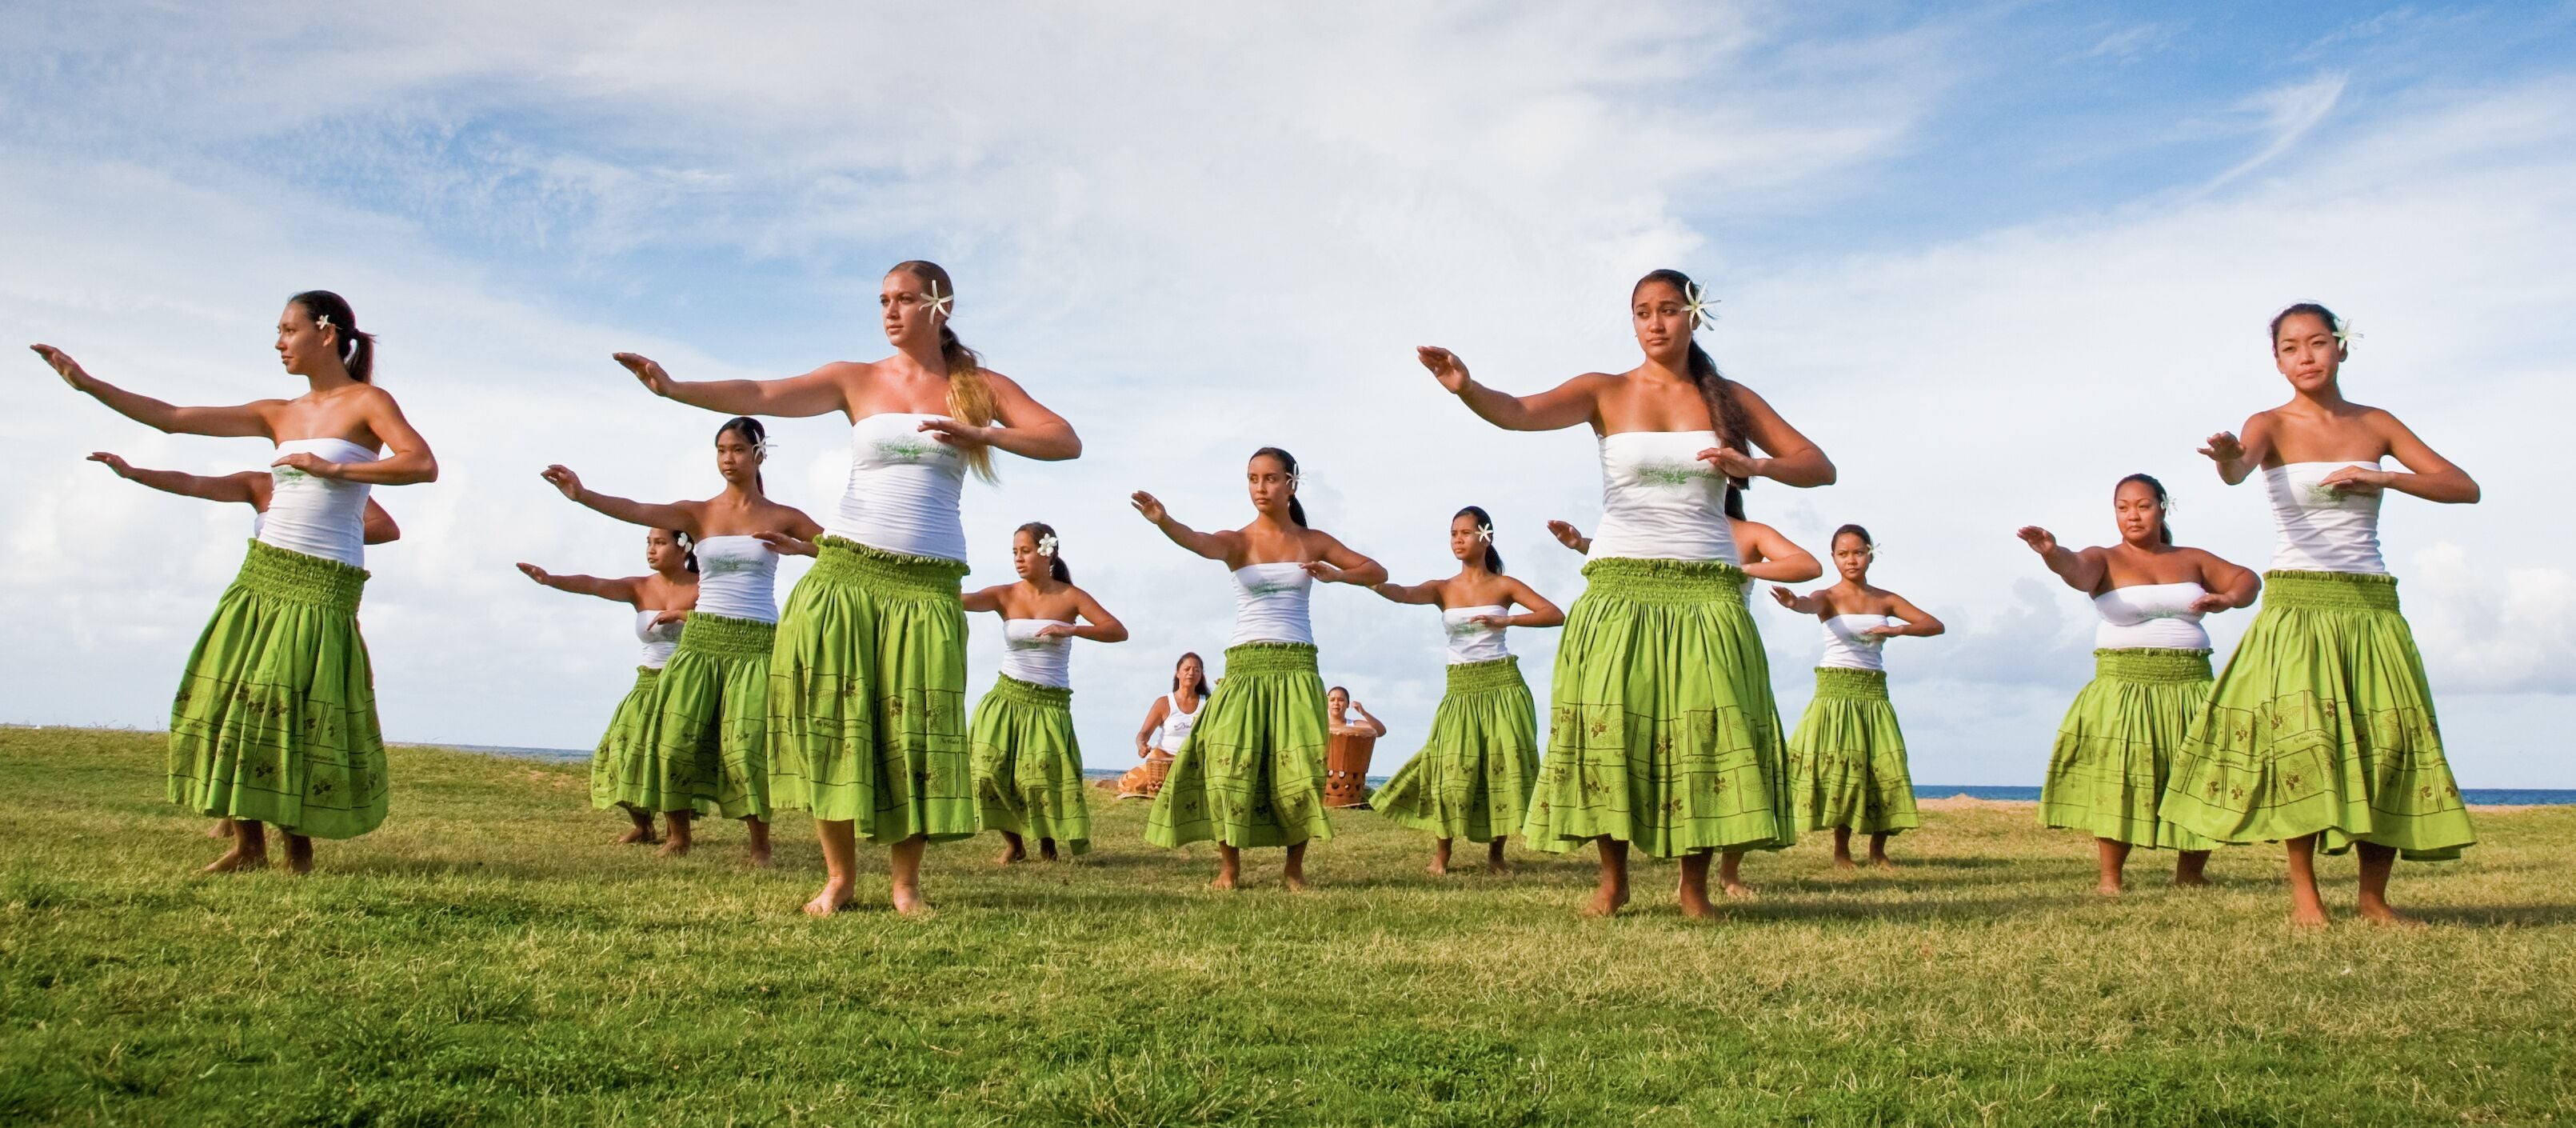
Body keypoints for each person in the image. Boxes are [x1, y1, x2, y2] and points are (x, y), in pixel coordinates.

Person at [616, 260, 1080, 916]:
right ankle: (838, 878)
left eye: (906, 299)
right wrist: (673, 388)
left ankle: (906, 886)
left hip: (926, 584)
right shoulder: (855, 380)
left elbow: (1064, 440)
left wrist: (983, 432)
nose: (890, 311)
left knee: (916, 727)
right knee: (831, 723)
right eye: (883, 300)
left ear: (940, 304)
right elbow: (762, 391)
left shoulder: (978, 387)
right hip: (846, 573)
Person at [1419, 267, 1835, 917]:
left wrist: (1754, 464)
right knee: (1606, 726)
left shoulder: (1730, 399)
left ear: (1694, 316)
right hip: (1616, 585)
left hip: (1705, 590)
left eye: (1668, 309)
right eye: (1642, 312)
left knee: (1703, 729)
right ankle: (1612, 882)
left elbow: (1817, 466)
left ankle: (1693, 887)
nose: (1655, 323)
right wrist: (1466, 387)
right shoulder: (1604, 391)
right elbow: (1519, 413)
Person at [35, 290, 437, 873]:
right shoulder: (276, 412)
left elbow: (420, 465)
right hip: (260, 574)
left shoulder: (368, 402)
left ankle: (297, 846)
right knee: (228, 698)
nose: (278, 343)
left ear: (325, 333)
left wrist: (334, 468)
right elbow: (172, 419)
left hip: (323, 583)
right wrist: (90, 385)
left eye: (286, 330)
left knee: (291, 707)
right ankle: (248, 847)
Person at [2160, 303, 2481, 927]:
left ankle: (2372, 899)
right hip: (2296, 607)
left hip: (2369, 606)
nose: (2303, 357)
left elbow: (2461, 486)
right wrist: (2228, 457)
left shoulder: (2376, 423)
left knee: (2384, 742)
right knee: (2300, 746)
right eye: (2288, 348)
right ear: (2276, 360)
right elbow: (2235, 469)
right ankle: (2305, 896)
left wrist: (2382, 478)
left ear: (2339, 348)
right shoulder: (2269, 423)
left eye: (2315, 343)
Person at [540, 416, 818, 865]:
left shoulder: (783, 516)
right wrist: (583, 495)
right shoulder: (698, 513)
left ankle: (760, 846)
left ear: (759, 453)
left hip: (757, 642)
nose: (729, 459)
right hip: (702, 638)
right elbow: (635, 509)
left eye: (739, 450)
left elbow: (837, 550)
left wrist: (799, 547)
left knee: (746, 746)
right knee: (675, 739)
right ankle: (678, 836)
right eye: (721, 450)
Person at [86, 451, 403, 841]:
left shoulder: (338, 489)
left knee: (285, 712)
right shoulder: (258, 483)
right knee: (228, 704)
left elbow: (386, 528)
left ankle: (290, 841)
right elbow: (195, 483)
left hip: (313, 601)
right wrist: (133, 473)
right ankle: (242, 829)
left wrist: (317, 526)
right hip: (260, 594)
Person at [1131, 446, 1387, 890]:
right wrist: (1164, 521)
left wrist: (1337, 574)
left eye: (1270, 478)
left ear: (1291, 483)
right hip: (1245, 666)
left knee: (1299, 768)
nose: (1260, 487)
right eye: (1252, 478)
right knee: (1226, 760)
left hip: (1297, 666)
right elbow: (1197, 540)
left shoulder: (1313, 541)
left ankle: (1294, 869)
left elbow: (1376, 571)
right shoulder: (1238, 541)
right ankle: (1229, 868)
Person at [2019, 474, 2258, 894]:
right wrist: (2052, 553)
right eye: (2123, 507)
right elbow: (2076, 570)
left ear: (2163, 508)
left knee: (2199, 772)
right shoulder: (2104, 559)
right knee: (2121, 773)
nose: (2133, 515)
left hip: (2191, 683)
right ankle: (2111, 878)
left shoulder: (2192, 558)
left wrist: (2228, 599)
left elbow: (2247, 579)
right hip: (2123, 686)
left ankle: (2191, 872)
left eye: (2143, 505)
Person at [1367, 506, 1565, 874]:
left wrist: (1507, 619)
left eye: (1465, 533)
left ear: (1485, 536)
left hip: (1504, 686)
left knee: (1499, 769)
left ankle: (1496, 855)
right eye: (1453, 533)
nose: (1458, 540)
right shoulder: (1443, 588)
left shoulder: (1505, 585)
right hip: (1460, 688)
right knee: (1449, 768)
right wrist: (1372, 583)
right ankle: (1442, 854)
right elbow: (1403, 593)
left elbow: (1554, 614)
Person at [1772, 525, 1945, 869]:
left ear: (1870, 553)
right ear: (1834, 558)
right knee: (1844, 769)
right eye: (1843, 553)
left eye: (1858, 552)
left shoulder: (1886, 599)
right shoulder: (1829, 596)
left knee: (1883, 766)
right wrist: (1795, 603)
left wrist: (1896, 629)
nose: (1851, 560)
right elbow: (1809, 604)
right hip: (1834, 693)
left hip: (1874, 692)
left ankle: (1879, 851)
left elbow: (1933, 624)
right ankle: (1841, 852)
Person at [517, 529, 703, 845]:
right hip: (646, 682)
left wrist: (685, 614)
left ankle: (679, 834)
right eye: (648, 543)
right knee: (619, 749)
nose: (651, 550)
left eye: (660, 543)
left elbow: (725, 619)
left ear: (684, 547)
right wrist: (551, 580)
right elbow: (594, 585)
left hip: (686, 684)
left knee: (671, 755)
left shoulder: (705, 588)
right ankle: (644, 826)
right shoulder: (640, 587)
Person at [964, 522, 1128, 862]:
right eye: (1014, 552)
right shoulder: (1004, 594)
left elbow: (1117, 631)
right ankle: (1014, 844)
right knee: (985, 772)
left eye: (1025, 551)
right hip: (1005, 696)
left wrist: (1072, 629)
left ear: (1047, 552)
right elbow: (960, 599)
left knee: (1039, 779)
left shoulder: (1071, 597)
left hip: (1048, 703)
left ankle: (1047, 843)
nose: (1018, 559)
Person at [1120, 654, 1209, 799]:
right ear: (1178, 673)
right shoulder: (1164, 703)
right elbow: (1144, 733)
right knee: (1134, 784)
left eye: (1196, 670)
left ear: (1201, 675)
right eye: (1187, 669)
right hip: (1164, 758)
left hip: (1193, 760)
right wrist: (1141, 745)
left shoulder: (1208, 703)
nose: (1191, 673)